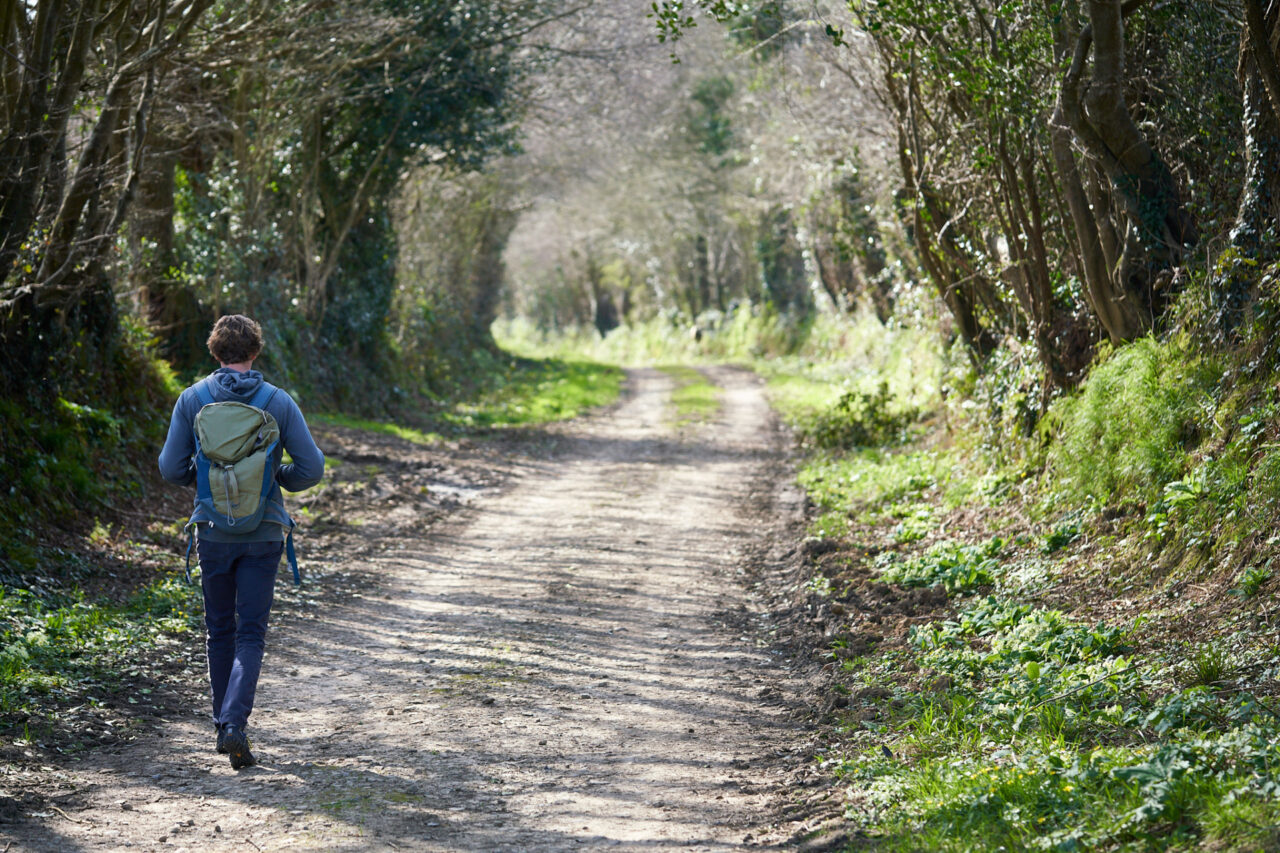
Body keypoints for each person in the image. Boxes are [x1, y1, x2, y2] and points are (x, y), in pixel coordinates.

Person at [158, 314, 324, 769]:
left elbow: (171, 468)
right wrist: (272, 479)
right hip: (263, 532)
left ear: (215, 352)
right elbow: (311, 468)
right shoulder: (278, 402)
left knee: (220, 631)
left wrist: (210, 482)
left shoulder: (192, 399)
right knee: (251, 632)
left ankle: (224, 724)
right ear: (255, 352)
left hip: (212, 532)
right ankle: (235, 725)